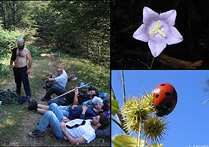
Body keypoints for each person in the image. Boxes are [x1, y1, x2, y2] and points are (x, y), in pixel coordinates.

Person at [28, 111, 109, 144]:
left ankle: (39, 132)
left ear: (99, 125)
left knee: (49, 113)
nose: (94, 117)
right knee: (54, 105)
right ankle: (45, 123)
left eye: (96, 118)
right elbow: (77, 124)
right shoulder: (89, 121)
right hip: (65, 123)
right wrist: (68, 120)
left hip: (62, 132)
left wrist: (64, 130)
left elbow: (74, 142)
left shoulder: (90, 134)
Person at [29, 100, 108, 120]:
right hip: (70, 108)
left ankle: (35, 108)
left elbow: (81, 121)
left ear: (101, 109)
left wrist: (83, 111)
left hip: (69, 114)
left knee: (51, 111)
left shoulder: (94, 116)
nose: (98, 103)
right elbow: (82, 106)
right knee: (52, 106)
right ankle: (36, 105)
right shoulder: (92, 106)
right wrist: (75, 105)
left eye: (100, 104)